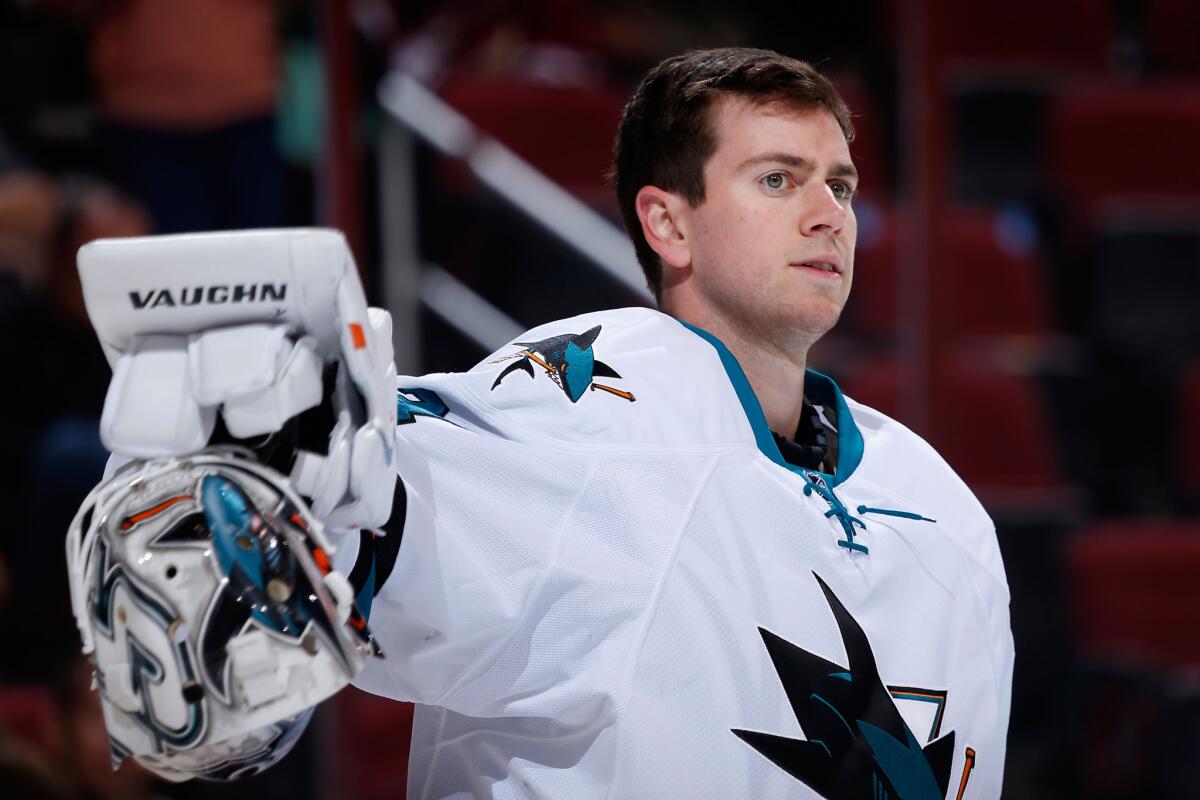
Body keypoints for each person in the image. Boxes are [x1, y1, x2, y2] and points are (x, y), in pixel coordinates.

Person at [67, 48, 1013, 799]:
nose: (827, 216)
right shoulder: (595, 410)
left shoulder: (941, 505)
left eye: (840, 186)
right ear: (666, 224)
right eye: (778, 180)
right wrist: (250, 474)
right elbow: (349, 501)